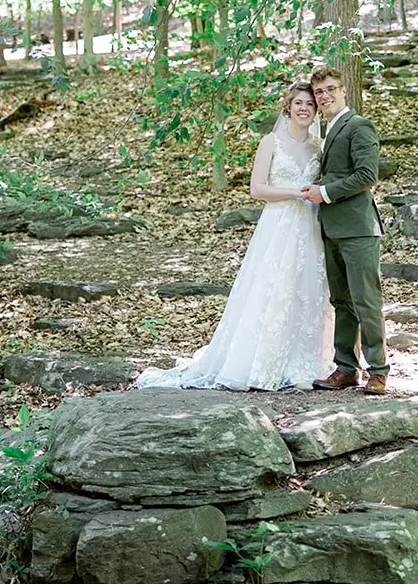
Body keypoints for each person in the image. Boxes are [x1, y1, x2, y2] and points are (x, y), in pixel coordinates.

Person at [134, 81, 332, 390]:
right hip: (278, 225)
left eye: (309, 103)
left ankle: (303, 360)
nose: (304, 108)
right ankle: (262, 361)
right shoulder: (271, 142)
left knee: (306, 288)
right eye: (298, 103)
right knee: (272, 287)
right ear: (288, 108)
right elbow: (257, 189)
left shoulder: (319, 147)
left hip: (310, 224)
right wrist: (295, 192)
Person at [302, 66, 388, 395]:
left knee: (366, 300)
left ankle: (378, 371)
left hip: (358, 229)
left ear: (343, 90)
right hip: (332, 228)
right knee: (342, 301)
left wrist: (323, 193)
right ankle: (345, 369)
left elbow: (367, 175)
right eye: (319, 92)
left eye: (330, 89)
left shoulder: (359, 126)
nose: (324, 96)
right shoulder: (329, 130)